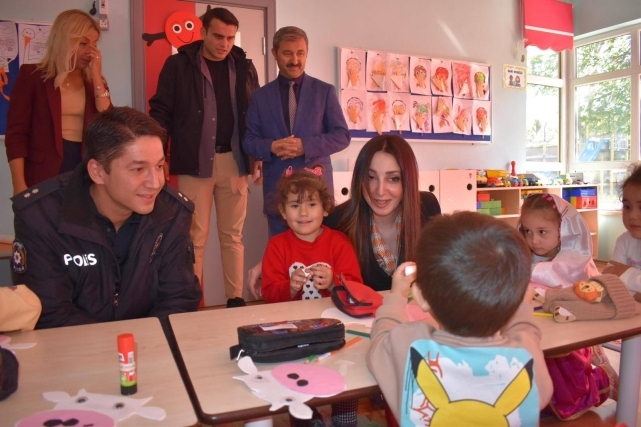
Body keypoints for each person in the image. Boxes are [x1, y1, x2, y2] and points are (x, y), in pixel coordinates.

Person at [10, 107, 202, 330]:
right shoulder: (41, 217)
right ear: (98, 172)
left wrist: (139, 345)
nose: (155, 182)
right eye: (138, 169)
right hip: (72, 347)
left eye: (159, 166)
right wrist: (119, 345)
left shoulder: (172, 213)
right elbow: (50, 313)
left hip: (149, 344)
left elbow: (178, 301)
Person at [367, 211, 553, 425]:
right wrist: (521, 307)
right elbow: (527, 334)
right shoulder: (524, 357)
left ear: (421, 298)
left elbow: (380, 341)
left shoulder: (410, 347)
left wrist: (397, 296)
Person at [149, 7, 261, 308]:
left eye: (230, 38)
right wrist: (159, 156)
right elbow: (161, 112)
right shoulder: (178, 65)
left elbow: (255, 114)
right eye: (218, 36)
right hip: (194, 162)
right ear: (203, 33)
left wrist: (257, 155)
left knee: (233, 236)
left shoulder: (244, 66)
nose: (224, 44)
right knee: (194, 238)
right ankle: (192, 304)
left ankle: (235, 300)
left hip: (235, 161)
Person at [246, 135, 441, 295]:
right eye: (371, 177)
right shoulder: (340, 219)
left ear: (407, 180)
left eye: (393, 178)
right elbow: (305, 237)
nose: (380, 191)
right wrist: (267, 263)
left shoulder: (427, 207)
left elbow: (446, 259)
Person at [243, 25, 350, 237]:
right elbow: (249, 140)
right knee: (281, 253)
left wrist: (305, 146)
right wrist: (272, 146)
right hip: (278, 194)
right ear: (274, 53)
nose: (295, 60)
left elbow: (342, 135)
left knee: (319, 252)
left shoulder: (324, 91)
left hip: (317, 194)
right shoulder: (260, 97)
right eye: (287, 53)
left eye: (300, 53)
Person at [518, 193, 616, 420]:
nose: (534, 240)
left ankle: (601, 382)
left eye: (542, 232)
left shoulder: (576, 265)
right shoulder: (526, 259)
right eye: (527, 231)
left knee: (566, 389)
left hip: (568, 341)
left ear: (563, 229)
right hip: (536, 333)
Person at [5, 9, 112, 196]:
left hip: (84, 167)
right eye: (83, 44)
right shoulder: (33, 76)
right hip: (44, 170)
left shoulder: (94, 83)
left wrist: (96, 76)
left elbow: (108, 121)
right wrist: (19, 183)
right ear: (64, 41)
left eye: (94, 44)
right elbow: (16, 135)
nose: (90, 52)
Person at [261, 166, 363, 303]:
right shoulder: (276, 246)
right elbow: (269, 294)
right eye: (295, 206)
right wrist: (290, 288)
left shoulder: (340, 243)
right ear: (283, 211)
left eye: (312, 204)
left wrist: (333, 283)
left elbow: (356, 288)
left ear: (326, 208)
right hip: (291, 315)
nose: (303, 213)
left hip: (332, 313)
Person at [603, 164, 641, 295]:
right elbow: (611, 280)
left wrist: (626, 273)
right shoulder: (624, 241)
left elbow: (619, 276)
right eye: (627, 207)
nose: (632, 215)